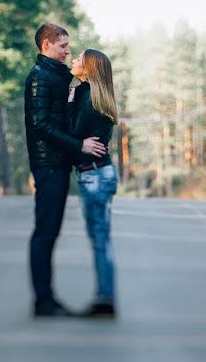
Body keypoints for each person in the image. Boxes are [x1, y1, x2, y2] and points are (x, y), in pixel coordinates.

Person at [24, 23, 106, 318]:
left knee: (50, 232)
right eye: (62, 46)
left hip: (58, 163)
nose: (67, 51)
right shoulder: (40, 78)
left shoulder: (56, 76)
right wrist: (79, 145)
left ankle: (47, 299)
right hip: (48, 165)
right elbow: (40, 124)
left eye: (68, 46)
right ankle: (43, 301)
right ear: (46, 45)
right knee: (45, 232)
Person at [68, 48, 119, 319]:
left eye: (78, 59)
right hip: (101, 173)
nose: (73, 61)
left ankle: (105, 299)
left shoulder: (88, 100)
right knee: (101, 238)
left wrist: (66, 104)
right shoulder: (90, 96)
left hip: (94, 174)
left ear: (88, 69)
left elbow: (73, 136)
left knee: (100, 240)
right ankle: (105, 296)